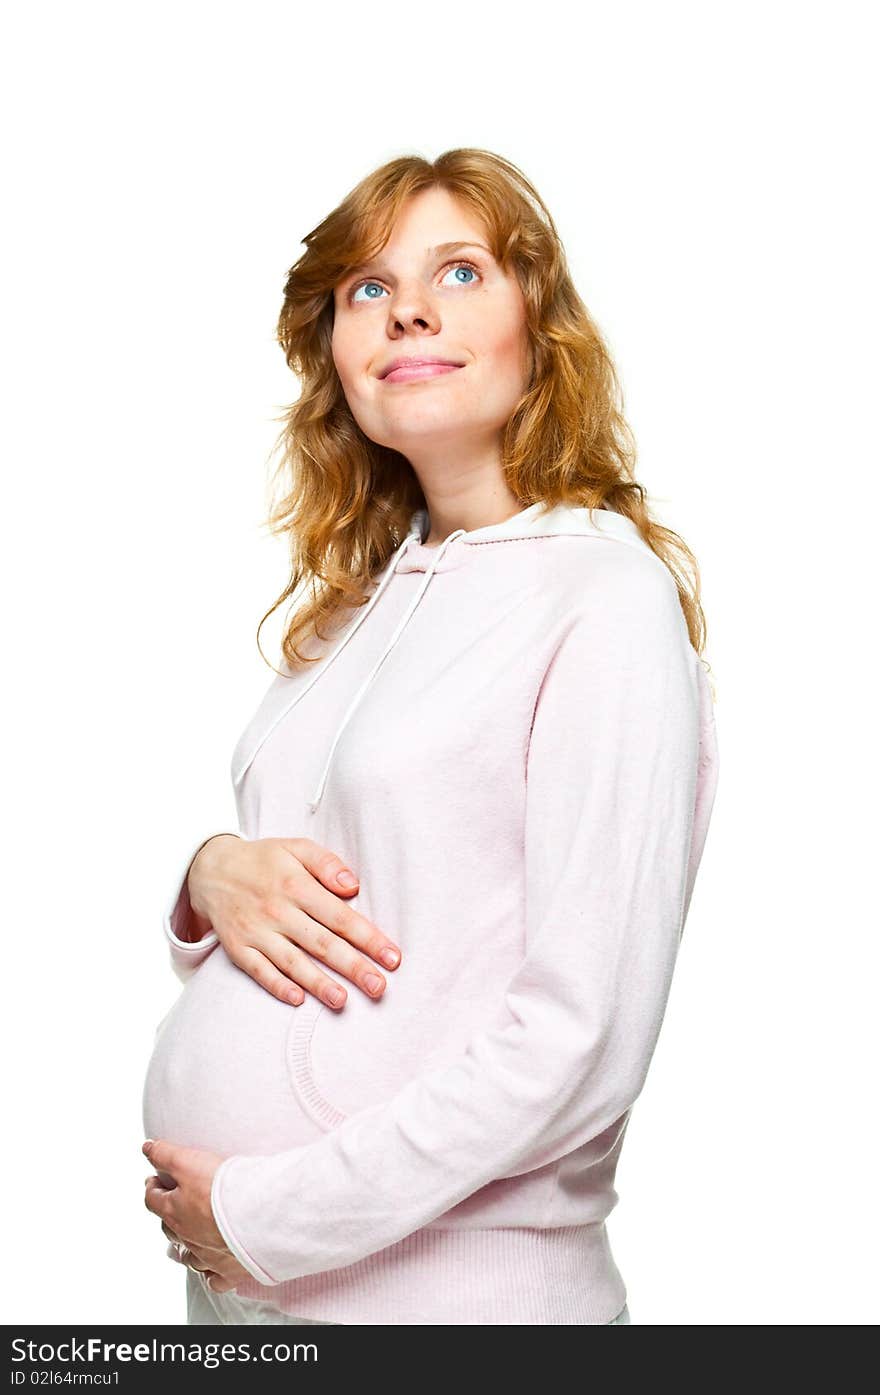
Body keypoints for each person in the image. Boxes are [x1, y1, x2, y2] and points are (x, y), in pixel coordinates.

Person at [141, 147, 720, 1327]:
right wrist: (210, 874)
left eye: (460, 271)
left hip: (446, 1306)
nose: (406, 305)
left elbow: (581, 1037)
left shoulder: (599, 599)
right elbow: (334, 910)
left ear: (538, 325)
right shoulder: (354, 608)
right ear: (338, 359)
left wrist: (274, 1216)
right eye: (367, 287)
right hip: (248, 1299)